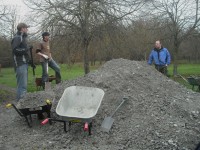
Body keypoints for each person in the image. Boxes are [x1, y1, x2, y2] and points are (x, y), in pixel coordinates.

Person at [11, 23, 34, 101]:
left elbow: (24, 54)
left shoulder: (23, 38)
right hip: (20, 64)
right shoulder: (18, 38)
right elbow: (15, 50)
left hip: (24, 63)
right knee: (22, 86)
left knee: (23, 85)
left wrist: (30, 62)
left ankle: (21, 103)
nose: (27, 30)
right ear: (22, 28)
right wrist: (27, 49)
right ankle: (21, 103)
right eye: (26, 28)